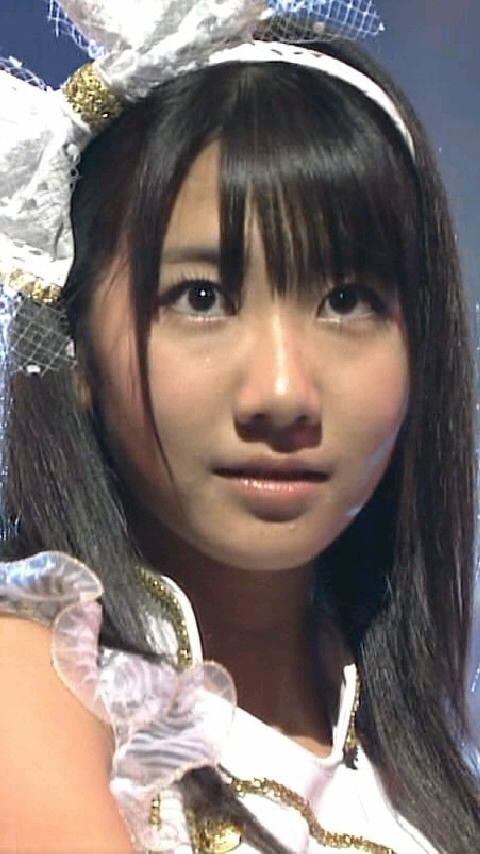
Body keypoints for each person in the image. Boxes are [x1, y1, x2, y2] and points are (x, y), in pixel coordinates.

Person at [0, 1, 478, 852]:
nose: (282, 391)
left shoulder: (428, 767)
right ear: (75, 342)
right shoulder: (38, 684)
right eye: (202, 298)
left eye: (347, 300)